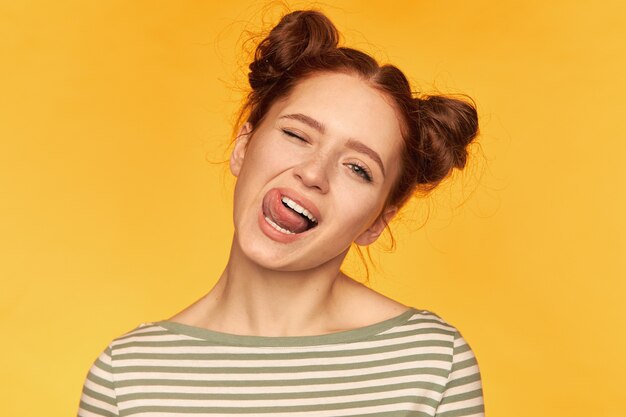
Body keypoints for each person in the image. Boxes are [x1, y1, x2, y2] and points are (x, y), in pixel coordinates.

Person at [78, 9, 484, 417]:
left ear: (378, 221)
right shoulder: (127, 377)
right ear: (243, 144)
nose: (313, 173)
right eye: (296, 134)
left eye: (358, 168)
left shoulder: (432, 362)